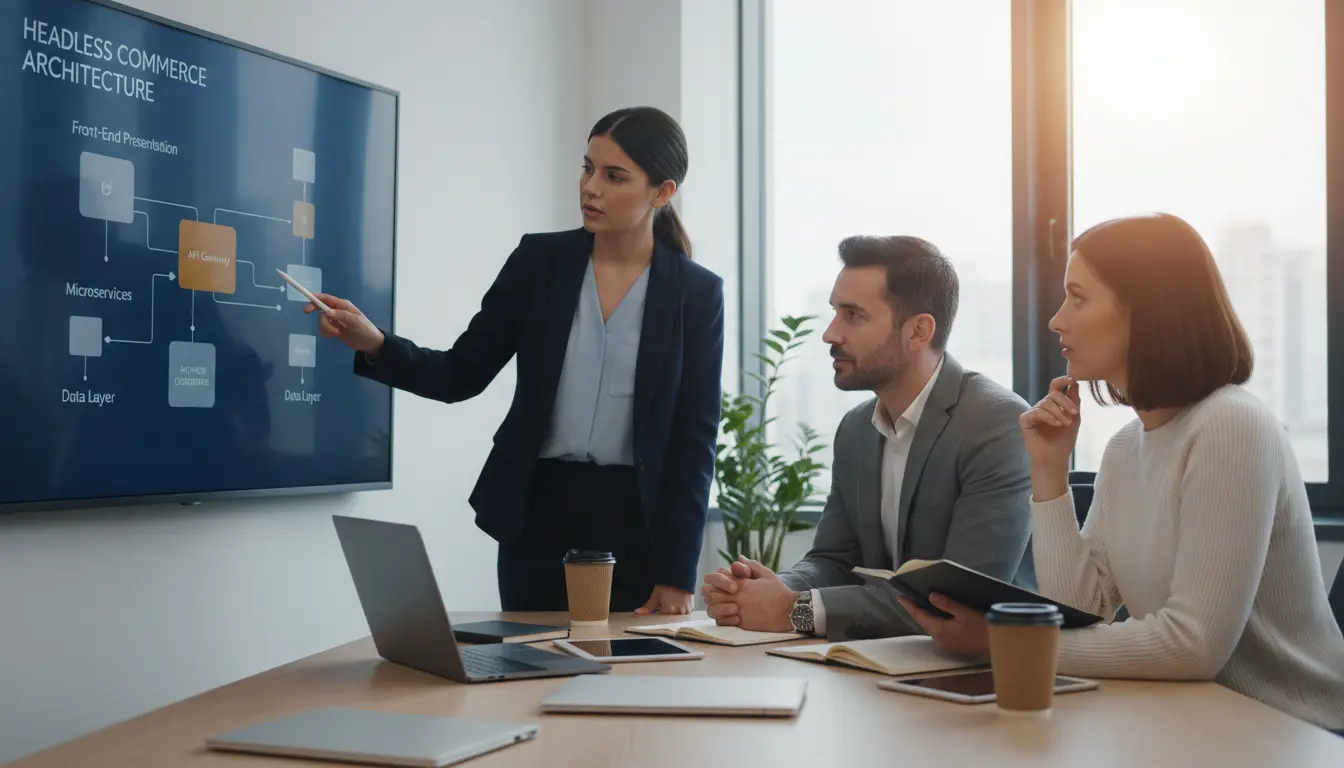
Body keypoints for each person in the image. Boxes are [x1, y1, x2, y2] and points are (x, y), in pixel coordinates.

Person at [898, 213, 1344, 733]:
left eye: (1079, 297)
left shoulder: (1231, 424)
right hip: (1196, 725)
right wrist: (1048, 474)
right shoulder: (1125, 447)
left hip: (1296, 732)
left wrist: (1005, 643)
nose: (1057, 320)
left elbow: (1193, 647)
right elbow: (1083, 606)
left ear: (1147, 311)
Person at [306, 106, 725, 616]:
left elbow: (694, 440)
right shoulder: (538, 263)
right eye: (587, 167)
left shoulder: (697, 294)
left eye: (614, 176)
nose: (591, 187)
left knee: (628, 684)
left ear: (662, 193)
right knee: (531, 672)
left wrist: (679, 574)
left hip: (638, 526)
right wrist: (374, 343)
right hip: (538, 514)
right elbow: (461, 373)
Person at [701, 235, 1036, 641]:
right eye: (834, 312)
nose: (829, 334)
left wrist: (794, 610)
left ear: (918, 331)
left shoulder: (997, 423)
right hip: (884, 665)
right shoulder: (857, 428)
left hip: (986, 673)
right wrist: (766, 590)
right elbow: (835, 560)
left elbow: (959, 600)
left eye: (853, 315)